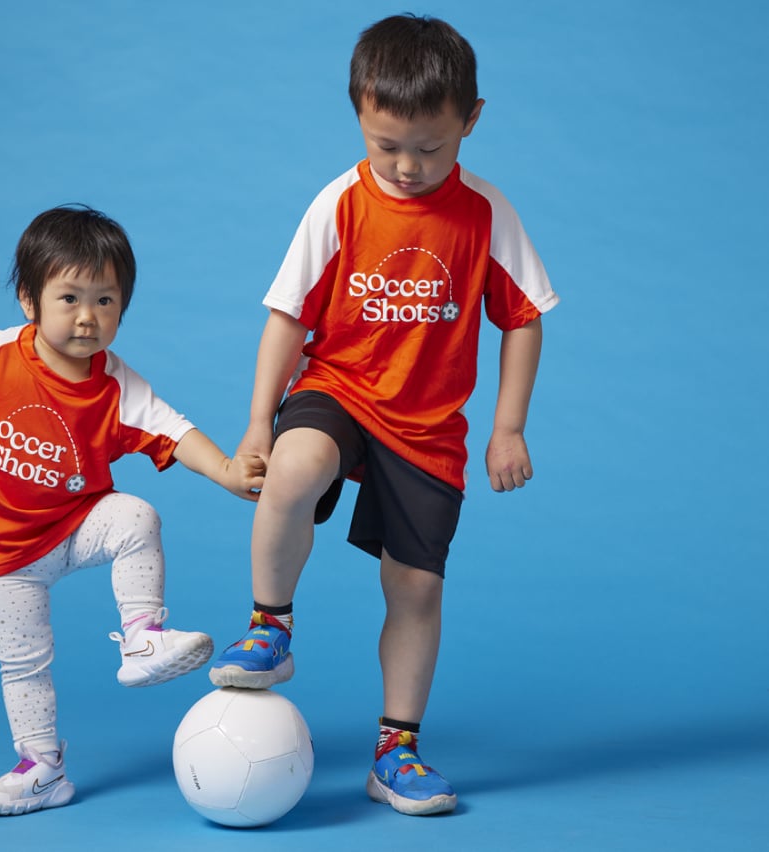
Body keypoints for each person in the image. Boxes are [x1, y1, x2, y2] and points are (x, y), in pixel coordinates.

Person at [208, 14, 559, 816]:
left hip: (429, 427)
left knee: (415, 588)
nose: (405, 166)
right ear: (359, 115)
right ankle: (270, 626)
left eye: (430, 149)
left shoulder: (485, 215)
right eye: (384, 144)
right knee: (293, 470)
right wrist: (261, 420)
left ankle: (395, 751)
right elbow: (288, 317)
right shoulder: (338, 203)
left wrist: (509, 426)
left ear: (471, 120)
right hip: (340, 387)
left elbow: (526, 317)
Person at [0, 205, 264, 816]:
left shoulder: (116, 385)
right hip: (3, 551)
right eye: (70, 298)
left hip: (77, 526)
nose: (88, 317)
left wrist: (230, 473)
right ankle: (43, 769)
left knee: (136, 516)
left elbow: (174, 431)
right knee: (23, 663)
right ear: (30, 299)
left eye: (106, 301)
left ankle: (143, 638)